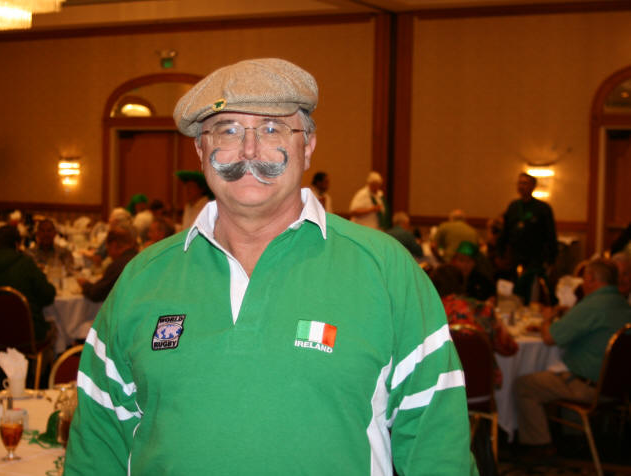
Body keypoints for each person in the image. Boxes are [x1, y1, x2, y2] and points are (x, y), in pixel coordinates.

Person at [66, 58, 475, 476]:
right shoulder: (141, 279)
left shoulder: (386, 271)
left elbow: (439, 449)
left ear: (308, 145)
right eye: (227, 130)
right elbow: (96, 449)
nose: (249, 150)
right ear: (200, 150)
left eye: (272, 128)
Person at [513, 258, 631, 456]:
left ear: (590, 278)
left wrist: (547, 319)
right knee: (568, 370)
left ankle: (539, 445)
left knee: (524, 385)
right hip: (618, 387)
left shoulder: (592, 304)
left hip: (589, 387)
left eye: (584, 279)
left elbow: (550, 338)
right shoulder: (622, 304)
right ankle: (574, 440)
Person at [430, 264, 518, 385]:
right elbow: (509, 348)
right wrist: (499, 321)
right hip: (480, 384)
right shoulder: (483, 310)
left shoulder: (428, 313)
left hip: (440, 385)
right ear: (462, 284)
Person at [0, 225, 55, 342]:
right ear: (17, 244)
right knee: (53, 327)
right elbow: (48, 295)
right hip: (26, 334)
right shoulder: (26, 264)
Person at [497, 173, 558, 303]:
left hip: (535, 257)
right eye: (519, 183)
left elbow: (550, 234)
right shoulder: (513, 206)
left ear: (533, 186)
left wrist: (551, 259)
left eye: (525, 183)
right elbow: (505, 231)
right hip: (515, 256)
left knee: (531, 290)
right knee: (514, 289)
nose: (521, 186)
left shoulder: (542, 208)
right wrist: (500, 252)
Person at [77, 224, 138, 302]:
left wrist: (84, 284)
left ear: (114, 245)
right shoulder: (139, 257)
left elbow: (96, 293)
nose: (109, 254)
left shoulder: (118, 265)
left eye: (108, 249)